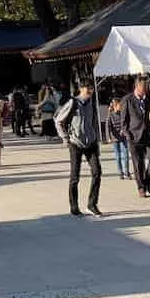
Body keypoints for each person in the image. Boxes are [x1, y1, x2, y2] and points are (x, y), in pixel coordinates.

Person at [55, 84, 102, 217]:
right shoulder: (72, 102)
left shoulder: (92, 102)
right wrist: (65, 138)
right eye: (88, 90)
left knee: (97, 172)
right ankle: (74, 207)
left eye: (92, 90)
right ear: (81, 89)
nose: (90, 92)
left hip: (91, 142)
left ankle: (92, 204)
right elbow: (58, 120)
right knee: (75, 176)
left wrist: (96, 139)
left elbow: (94, 122)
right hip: (75, 143)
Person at [121, 77, 150, 197]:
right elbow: (124, 121)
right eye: (143, 87)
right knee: (138, 164)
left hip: (149, 135)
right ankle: (141, 187)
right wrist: (128, 134)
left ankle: (148, 183)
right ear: (136, 87)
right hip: (134, 136)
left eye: (146, 87)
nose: (145, 89)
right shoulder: (127, 100)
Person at [106, 96, 131, 180]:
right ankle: (120, 173)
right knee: (118, 156)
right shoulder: (110, 114)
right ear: (115, 106)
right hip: (115, 138)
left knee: (126, 155)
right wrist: (108, 137)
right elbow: (108, 126)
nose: (121, 107)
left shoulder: (122, 113)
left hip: (123, 137)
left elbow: (126, 123)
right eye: (119, 105)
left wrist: (123, 130)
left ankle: (127, 172)